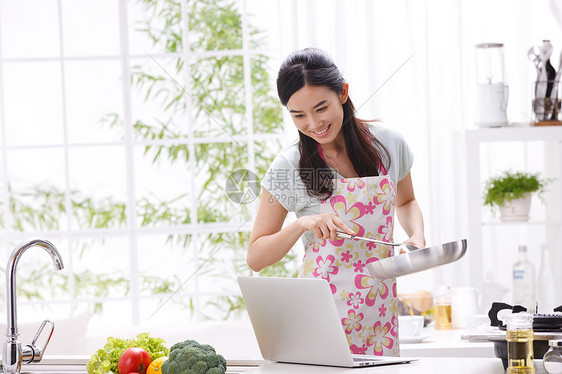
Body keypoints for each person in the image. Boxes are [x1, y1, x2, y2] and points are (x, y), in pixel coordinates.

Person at [246, 48, 425, 357]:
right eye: (298, 115)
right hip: (319, 322)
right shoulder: (288, 166)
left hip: (378, 316)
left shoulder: (389, 144)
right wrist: (302, 224)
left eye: (321, 108)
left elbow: (406, 201)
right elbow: (256, 257)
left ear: (343, 93)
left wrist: (417, 236)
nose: (314, 123)